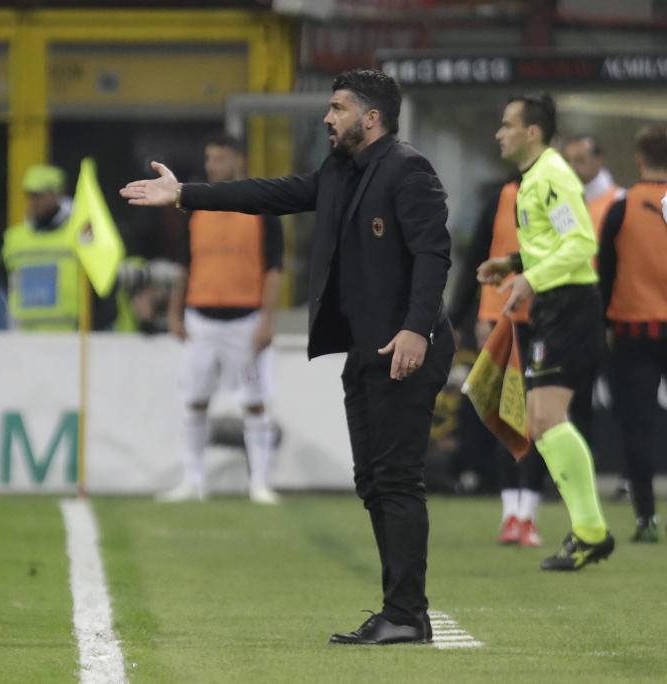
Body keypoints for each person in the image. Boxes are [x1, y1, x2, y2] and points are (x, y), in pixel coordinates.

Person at [122, 68, 454, 645]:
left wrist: (416, 330)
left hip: (406, 346)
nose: (327, 118)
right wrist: (187, 196)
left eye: (338, 108)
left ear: (371, 118)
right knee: (373, 480)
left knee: (397, 479)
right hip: (367, 348)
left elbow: (433, 255)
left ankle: (406, 615)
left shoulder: (409, 169)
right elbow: (272, 193)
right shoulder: (340, 171)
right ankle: (400, 609)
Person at [478, 93, 614, 572]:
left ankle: (592, 531)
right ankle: (589, 531)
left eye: (507, 124)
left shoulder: (552, 175)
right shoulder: (535, 177)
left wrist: (529, 279)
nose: (499, 133)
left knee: (547, 420)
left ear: (531, 132)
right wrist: (514, 263)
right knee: (540, 422)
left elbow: (580, 243)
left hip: (570, 307)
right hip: (555, 306)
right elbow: (555, 242)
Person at [157, 134, 284, 505]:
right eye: (209, 158)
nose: (212, 165)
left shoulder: (262, 207)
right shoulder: (196, 208)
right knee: (195, 400)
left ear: (238, 161)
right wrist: (174, 313)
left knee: (254, 402)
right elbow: (185, 266)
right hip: (200, 319)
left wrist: (267, 321)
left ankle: (259, 482)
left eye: (220, 158)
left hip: (247, 319)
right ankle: (193, 480)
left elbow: (274, 269)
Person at [449, 180, 548, 547]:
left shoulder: (560, 194)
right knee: (509, 411)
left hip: (547, 319)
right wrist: (456, 318)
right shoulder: (500, 198)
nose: (501, 134)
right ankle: (511, 513)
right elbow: (477, 256)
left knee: (540, 416)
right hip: (501, 316)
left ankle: (530, 514)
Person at [598, 124, 667, 543]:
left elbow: (605, 272)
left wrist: (603, 323)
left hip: (633, 331)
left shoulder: (621, 208)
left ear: (639, 159)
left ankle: (645, 517)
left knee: (637, 425)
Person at [1, 163, 115, 331]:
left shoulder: (81, 234)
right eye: (30, 195)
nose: (34, 201)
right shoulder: (14, 238)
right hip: (25, 338)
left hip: (71, 338)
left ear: (56, 193)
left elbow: (101, 286)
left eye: (39, 195)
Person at [561, 134, 625, 235]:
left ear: (599, 159)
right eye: (568, 161)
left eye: (579, 160)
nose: (572, 167)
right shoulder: (561, 200)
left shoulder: (620, 199)